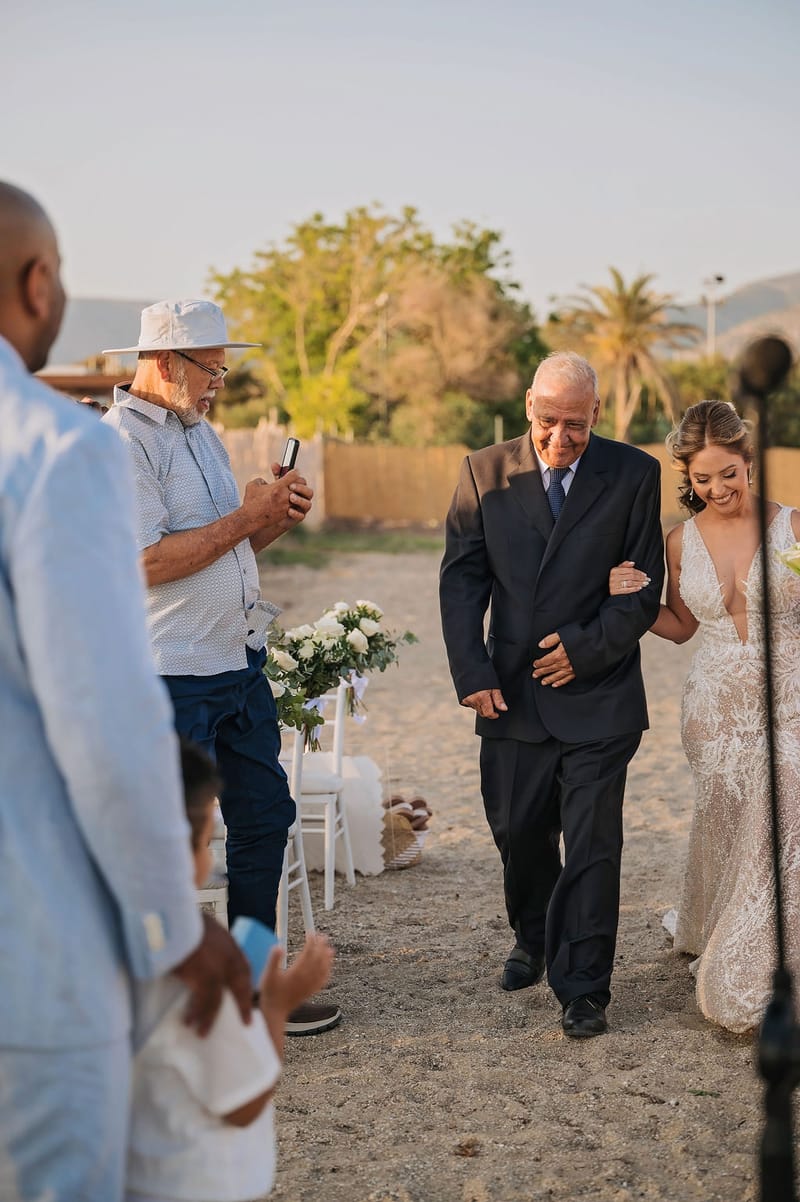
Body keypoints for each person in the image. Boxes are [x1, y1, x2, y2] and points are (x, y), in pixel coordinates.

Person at [0, 182, 251, 1202]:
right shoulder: (56, 452)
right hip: (31, 953)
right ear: (39, 281)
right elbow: (103, 727)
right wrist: (176, 925)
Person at [103, 300, 340, 1036]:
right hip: (170, 679)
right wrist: (246, 517)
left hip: (236, 662)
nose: (220, 386)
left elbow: (221, 553)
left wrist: (268, 517)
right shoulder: (122, 446)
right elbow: (144, 564)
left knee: (266, 819)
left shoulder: (202, 434)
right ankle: (173, 1001)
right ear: (169, 365)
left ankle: (255, 982)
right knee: (175, 847)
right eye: (214, 371)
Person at [439, 351, 664, 1038]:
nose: (560, 438)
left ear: (597, 414)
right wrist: (472, 673)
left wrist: (585, 650)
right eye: (547, 421)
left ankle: (584, 987)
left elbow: (643, 587)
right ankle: (534, 937)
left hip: (600, 694)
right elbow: (463, 580)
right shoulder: (483, 470)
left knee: (594, 843)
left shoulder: (634, 473)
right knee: (518, 831)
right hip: (509, 691)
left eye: (575, 424)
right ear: (528, 406)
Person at [609, 399, 800, 1033]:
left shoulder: (794, 527)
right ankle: (716, 930)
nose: (717, 489)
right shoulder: (678, 540)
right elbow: (682, 627)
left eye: (729, 474)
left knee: (783, 809)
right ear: (686, 479)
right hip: (714, 709)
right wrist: (633, 600)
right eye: (702, 478)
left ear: (750, 464)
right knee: (726, 819)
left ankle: (757, 959)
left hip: (789, 698)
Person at [127, 741, 334, 1202]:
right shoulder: (200, 968)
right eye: (205, 843)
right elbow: (244, 1103)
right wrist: (277, 1004)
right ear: (185, 855)